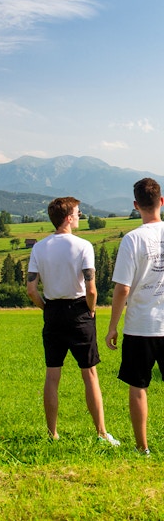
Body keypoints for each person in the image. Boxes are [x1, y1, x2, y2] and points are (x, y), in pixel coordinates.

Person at [26, 196, 119, 445]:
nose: (80, 216)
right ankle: (101, 433)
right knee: (89, 374)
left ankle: (52, 434)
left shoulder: (38, 247)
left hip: (53, 312)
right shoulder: (83, 246)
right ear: (68, 218)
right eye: (78, 212)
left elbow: (31, 290)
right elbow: (91, 290)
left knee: (52, 374)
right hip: (79, 311)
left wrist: (46, 308)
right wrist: (91, 310)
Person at [106, 177, 164, 455]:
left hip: (141, 325)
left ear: (135, 205)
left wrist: (112, 326)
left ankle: (142, 447)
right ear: (161, 202)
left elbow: (122, 288)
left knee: (138, 386)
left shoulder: (132, 239)